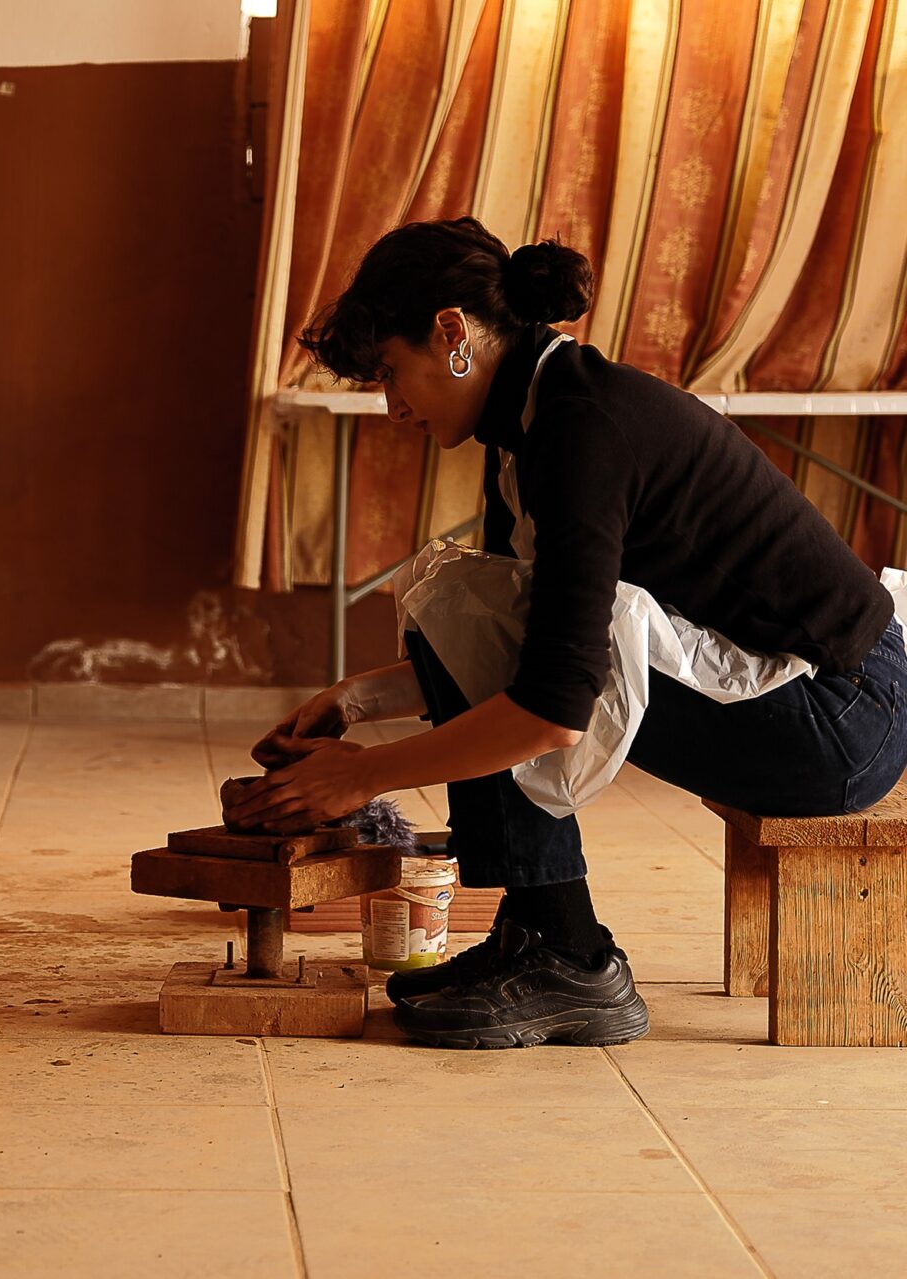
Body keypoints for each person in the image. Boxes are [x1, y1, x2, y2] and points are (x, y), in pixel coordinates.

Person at [226, 217, 907, 1049]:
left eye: (392, 373)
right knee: (464, 599)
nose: (393, 406)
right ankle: (536, 930)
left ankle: (569, 955)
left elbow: (551, 708)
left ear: (452, 333)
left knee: (489, 635)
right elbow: (510, 632)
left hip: (844, 717)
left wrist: (360, 776)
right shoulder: (533, 415)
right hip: (817, 692)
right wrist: (352, 700)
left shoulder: (583, 431)